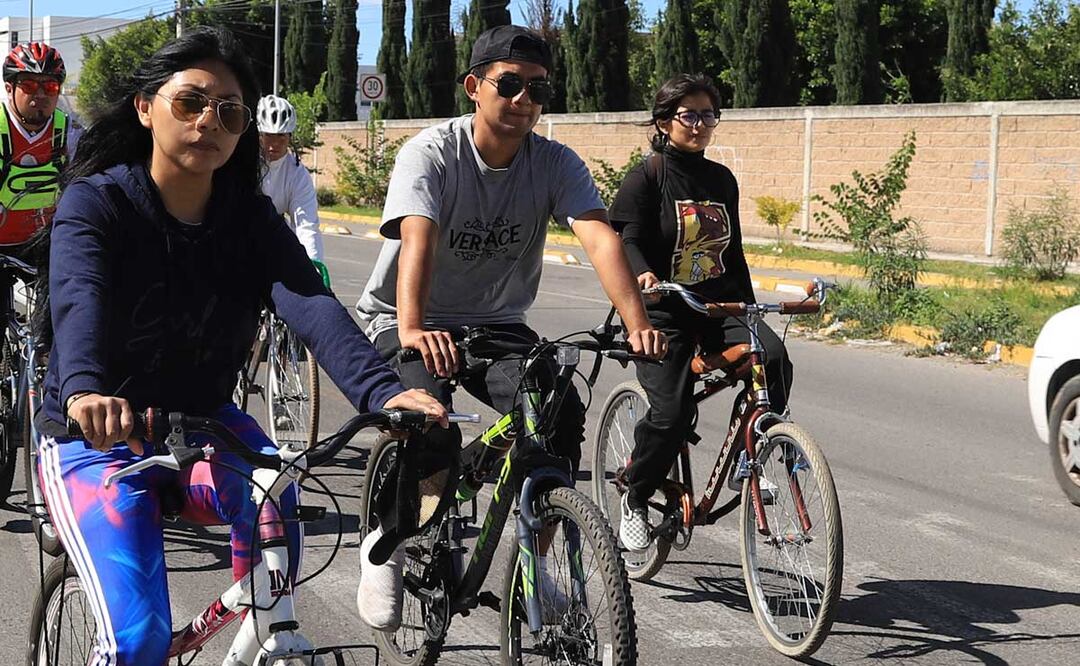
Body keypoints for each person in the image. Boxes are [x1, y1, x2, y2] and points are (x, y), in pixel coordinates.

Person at [34, 28, 445, 664]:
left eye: (230, 111)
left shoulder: (248, 220)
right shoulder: (99, 204)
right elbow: (76, 299)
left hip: (202, 428)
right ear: (146, 108)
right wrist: (86, 389)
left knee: (276, 496)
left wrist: (386, 393)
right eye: (190, 103)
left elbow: (312, 306)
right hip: (95, 440)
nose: (210, 122)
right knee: (138, 642)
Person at [354, 25, 667, 632]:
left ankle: (536, 568)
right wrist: (415, 327)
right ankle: (384, 544)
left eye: (538, 89)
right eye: (510, 84)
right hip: (406, 317)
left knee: (559, 409)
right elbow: (418, 235)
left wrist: (638, 323)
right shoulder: (431, 152)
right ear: (475, 87)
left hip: (496, 324)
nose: (524, 100)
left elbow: (599, 237)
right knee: (426, 420)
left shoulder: (553, 162)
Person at [608, 73, 794, 551]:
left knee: (770, 357)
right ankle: (636, 494)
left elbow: (731, 252)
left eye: (708, 115)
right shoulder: (647, 175)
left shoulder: (721, 179)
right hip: (663, 310)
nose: (700, 124)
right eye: (689, 115)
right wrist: (644, 275)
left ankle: (746, 461)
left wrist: (750, 309)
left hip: (713, 303)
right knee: (671, 415)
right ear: (665, 122)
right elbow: (624, 239)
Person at [256, 94, 327, 275]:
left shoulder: (297, 174)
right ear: (258, 135)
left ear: (290, 136)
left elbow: (306, 224)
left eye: (281, 136)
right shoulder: (241, 164)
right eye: (268, 136)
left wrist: (313, 265)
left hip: (274, 240)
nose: (275, 144)